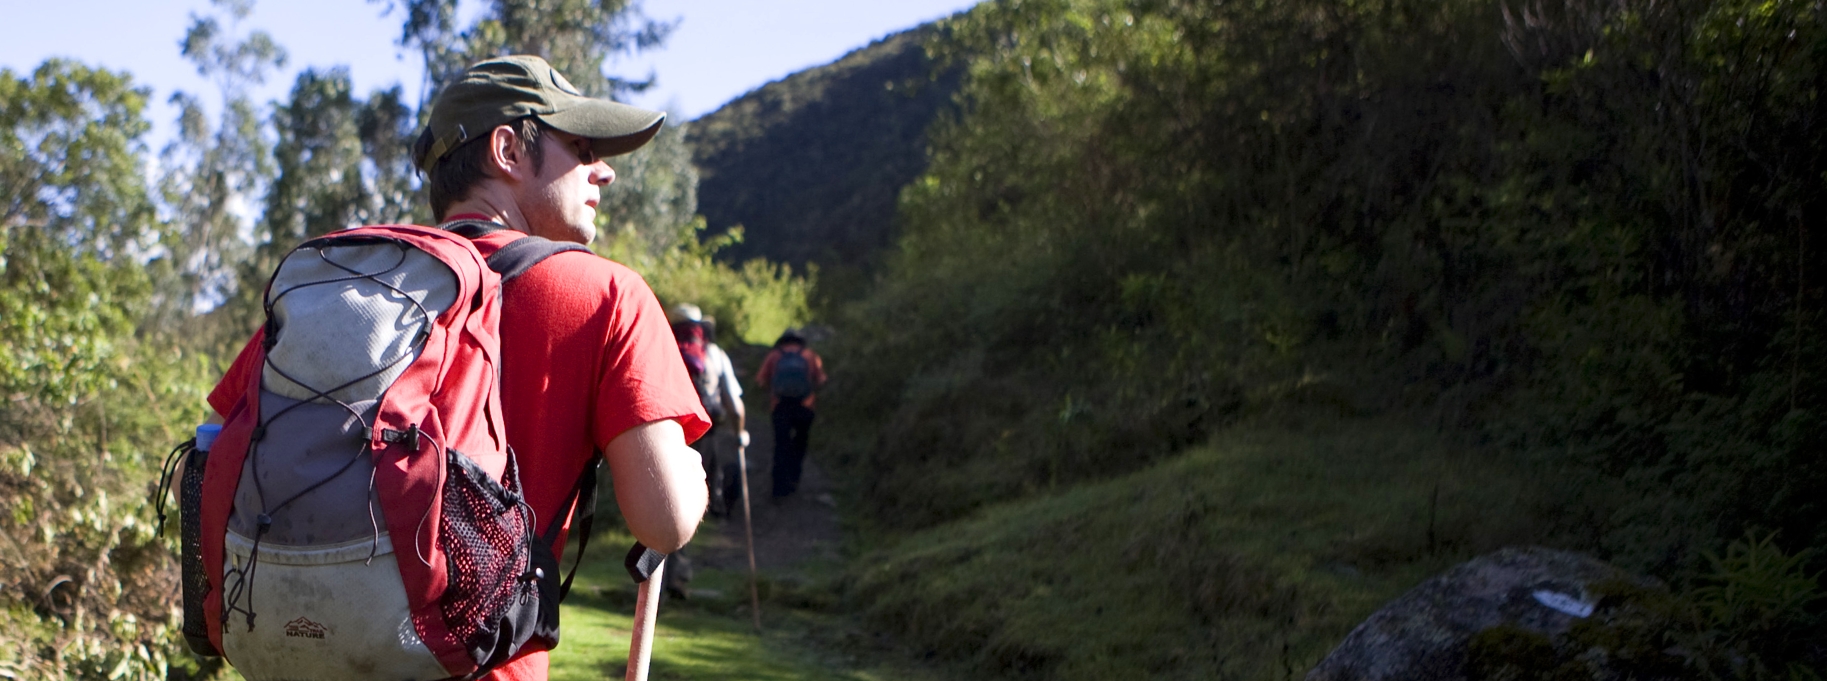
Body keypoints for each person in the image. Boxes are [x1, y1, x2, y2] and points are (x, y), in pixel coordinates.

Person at [204, 55, 709, 681]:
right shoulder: (606, 293)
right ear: (507, 150)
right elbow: (663, 519)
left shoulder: (345, 289)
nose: (603, 171)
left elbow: (224, 440)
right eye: (580, 147)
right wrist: (688, 468)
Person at [754, 329, 827, 498]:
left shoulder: (774, 356)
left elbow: (761, 381)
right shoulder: (810, 355)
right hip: (805, 407)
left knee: (781, 446)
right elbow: (821, 380)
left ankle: (778, 488)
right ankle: (794, 480)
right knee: (800, 443)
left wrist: (773, 391)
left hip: (780, 407)